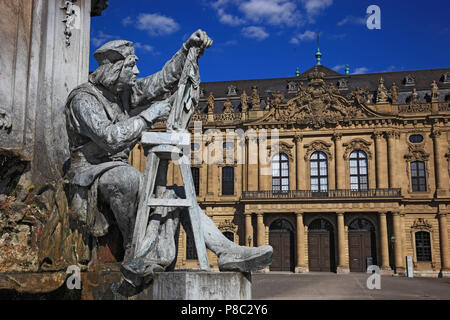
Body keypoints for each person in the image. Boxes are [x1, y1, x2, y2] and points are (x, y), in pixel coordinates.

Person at [65, 29, 273, 287]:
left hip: (114, 169)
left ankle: (226, 250)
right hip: (89, 173)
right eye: (132, 66)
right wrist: (149, 115)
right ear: (115, 68)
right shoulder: (83, 99)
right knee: (127, 177)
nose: (137, 73)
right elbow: (110, 138)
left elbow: (162, 81)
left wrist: (187, 50)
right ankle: (136, 251)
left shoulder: (123, 94)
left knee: (176, 193)